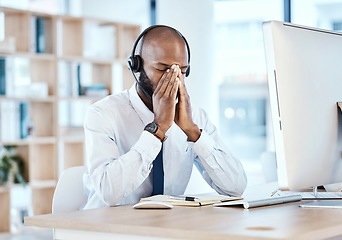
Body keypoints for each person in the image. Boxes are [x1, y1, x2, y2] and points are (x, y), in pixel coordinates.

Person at [82, 25, 247, 209]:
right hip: (106, 230)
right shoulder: (102, 114)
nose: (175, 79)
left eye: (182, 71)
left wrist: (193, 132)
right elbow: (109, 192)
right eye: (162, 69)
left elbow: (236, 187)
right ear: (136, 66)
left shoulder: (195, 118)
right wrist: (157, 129)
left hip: (164, 230)